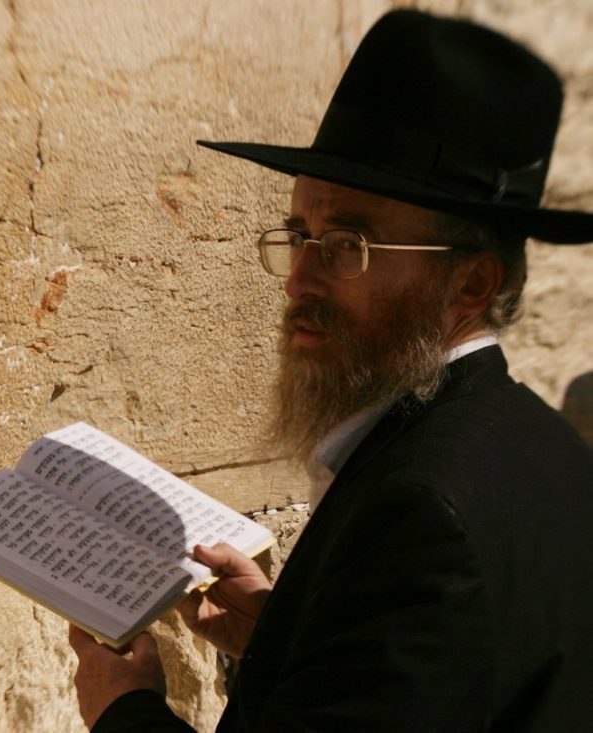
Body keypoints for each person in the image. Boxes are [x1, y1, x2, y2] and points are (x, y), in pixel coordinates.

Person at [69, 9, 593, 732]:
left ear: (470, 286)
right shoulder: (549, 444)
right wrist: (285, 637)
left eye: (348, 244)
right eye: (299, 235)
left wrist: (123, 709)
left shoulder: (421, 511)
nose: (298, 280)